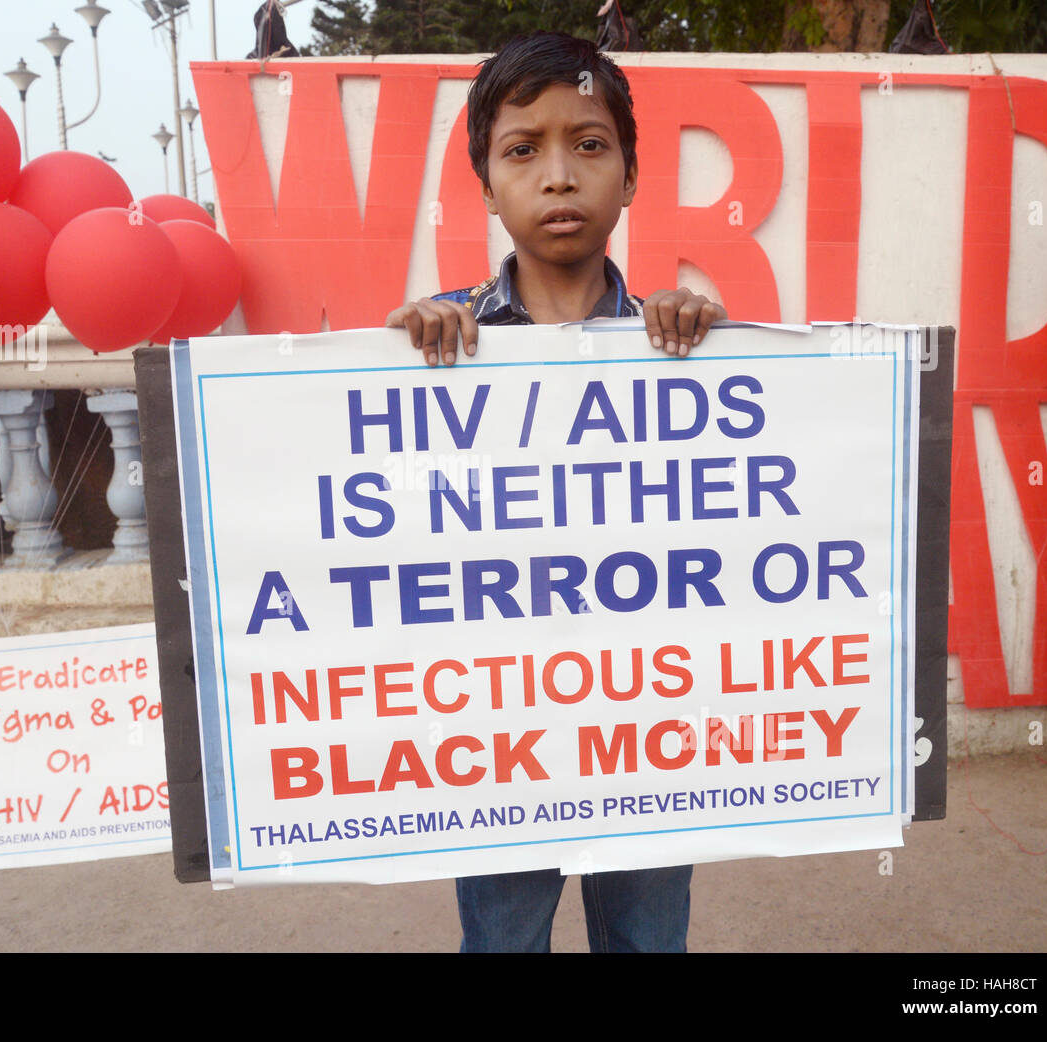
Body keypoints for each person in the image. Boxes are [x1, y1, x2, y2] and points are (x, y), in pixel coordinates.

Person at [385, 31, 727, 953]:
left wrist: (724, 354)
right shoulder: (433, 345)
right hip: (495, 728)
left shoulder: (683, 344)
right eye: (522, 149)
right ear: (486, 184)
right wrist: (393, 364)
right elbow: (386, 530)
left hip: (649, 726)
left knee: (650, 943)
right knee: (500, 944)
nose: (560, 176)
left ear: (629, 173)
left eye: (589, 144)